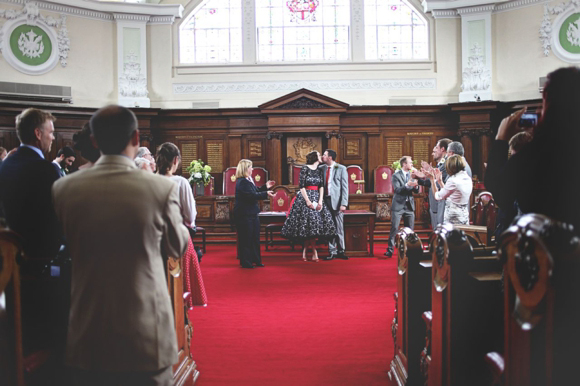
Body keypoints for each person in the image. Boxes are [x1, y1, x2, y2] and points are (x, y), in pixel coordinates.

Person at [52, 105, 189, 386]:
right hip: (146, 330)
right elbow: (178, 246)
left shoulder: (64, 189)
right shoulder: (161, 189)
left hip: (88, 329)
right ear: (136, 138)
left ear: (93, 141)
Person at [485, 66, 580, 233]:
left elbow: (501, 191)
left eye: (543, 104)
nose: (538, 110)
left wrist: (501, 139)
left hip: (550, 249)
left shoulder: (542, 151)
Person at [0, 108, 62, 260]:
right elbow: (53, 220)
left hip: (5, 254)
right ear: (38, 134)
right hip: (36, 258)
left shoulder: (5, 165)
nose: (53, 138)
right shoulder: (46, 170)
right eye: (51, 132)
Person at [156, 142, 206, 306]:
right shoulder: (180, 182)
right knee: (179, 280)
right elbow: (190, 215)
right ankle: (182, 311)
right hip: (177, 238)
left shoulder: (149, 179)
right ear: (176, 160)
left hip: (154, 238)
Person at [281, 151, 336, 262]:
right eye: (320, 155)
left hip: (317, 198)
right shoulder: (305, 168)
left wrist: (320, 201)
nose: (321, 157)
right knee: (307, 227)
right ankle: (313, 252)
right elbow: (301, 186)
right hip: (305, 198)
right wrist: (307, 201)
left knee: (314, 226)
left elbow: (321, 186)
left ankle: (305, 251)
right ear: (315, 157)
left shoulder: (320, 170)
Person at [233, 159, 275, 269]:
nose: (252, 169)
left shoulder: (248, 180)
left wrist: (265, 186)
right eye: (251, 167)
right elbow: (251, 195)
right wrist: (265, 193)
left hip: (252, 213)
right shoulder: (242, 182)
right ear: (246, 168)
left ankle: (256, 260)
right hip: (244, 214)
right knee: (246, 239)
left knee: (254, 238)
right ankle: (246, 262)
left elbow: (256, 190)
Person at [384, 156, 419, 258]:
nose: (412, 164)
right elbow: (398, 190)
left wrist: (416, 186)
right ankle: (390, 249)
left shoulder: (412, 175)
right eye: (410, 163)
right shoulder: (396, 175)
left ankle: (409, 249)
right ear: (404, 164)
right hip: (398, 205)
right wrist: (407, 185)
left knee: (410, 230)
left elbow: (416, 191)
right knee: (394, 228)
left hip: (409, 206)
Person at [320, 149, 349, 260]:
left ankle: (341, 250)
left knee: (339, 227)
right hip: (325, 201)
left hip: (337, 202)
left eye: (324, 155)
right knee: (329, 227)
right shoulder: (321, 168)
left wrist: (344, 203)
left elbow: (345, 188)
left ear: (330, 157)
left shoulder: (341, 168)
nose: (323, 156)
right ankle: (332, 251)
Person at [416, 138, 451, 229]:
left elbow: (436, 181)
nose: (433, 151)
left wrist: (426, 174)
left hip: (440, 202)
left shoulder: (446, 165)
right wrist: (418, 178)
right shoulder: (441, 164)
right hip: (435, 202)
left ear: (442, 149)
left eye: (436, 147)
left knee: (439, 232)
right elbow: (430, 182)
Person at [428, 155, 473, 225]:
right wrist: (440, 181)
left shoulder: (453, 180)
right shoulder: (467, 178)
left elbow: (438, 196)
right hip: (464, 215)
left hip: (453, 218)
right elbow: (449, 192)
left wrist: (432, 179)